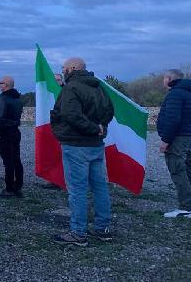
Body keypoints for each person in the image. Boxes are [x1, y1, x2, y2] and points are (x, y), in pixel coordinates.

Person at [50, 57, 114, 246]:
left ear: (72, 68)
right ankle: (102, 228)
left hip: (76, 144)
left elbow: (71, 114)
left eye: (64, 68)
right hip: (95, 144)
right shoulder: (98, 87)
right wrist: (100, 127)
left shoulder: (72, 88)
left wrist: (94, 128)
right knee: (100, 187)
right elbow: (110, 110)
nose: (62, 71)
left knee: (77, 190)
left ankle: (78, 233)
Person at [157, 69, 191, 218]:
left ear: (169, 78)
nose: (163, 80)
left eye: (164, 77)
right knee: (189, 170)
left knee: (178, 170)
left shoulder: (175, 94)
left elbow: (173, 119)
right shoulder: (189, 93)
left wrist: (165, 140)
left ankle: (185, 208)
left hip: (176, 138)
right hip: (185, 136)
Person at [0, 75, 24, 198]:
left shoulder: (3, 99)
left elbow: (0, 118)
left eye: (0, 82)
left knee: (8, 161)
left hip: (5, 133)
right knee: (16, 159)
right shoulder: (18, 100)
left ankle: (9, 188)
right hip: (15, 132)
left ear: (5, 85)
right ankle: (18, 186)